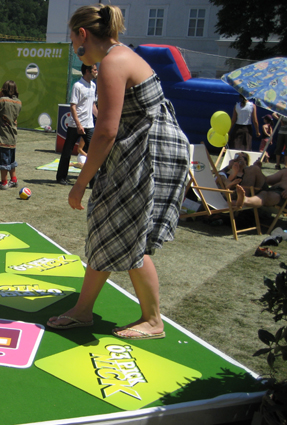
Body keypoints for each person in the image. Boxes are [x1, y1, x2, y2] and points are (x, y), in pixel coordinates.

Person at [46, 4, 190, 340]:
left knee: (126, 232)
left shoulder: (112, 62)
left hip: (149, 156)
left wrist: (80, 184)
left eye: (72, 39)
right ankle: (83, 311)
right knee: (109, 229)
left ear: (84, 35)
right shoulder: (117, 57)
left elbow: (106, 132)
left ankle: (153, 321)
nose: (73, 47)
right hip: (143, 152)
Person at [56, 63, 98, 185]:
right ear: (87, 71)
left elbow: (93, 106)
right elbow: (73, 107)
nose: (97, 72)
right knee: (67, 151)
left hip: (89, 125)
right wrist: (79, 124)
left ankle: (93, 181)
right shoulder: (77, 86)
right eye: (94, 70)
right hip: (75, 125)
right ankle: (61, 177)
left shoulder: (93, 86)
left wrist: (100, 118)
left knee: (93, 153)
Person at [0, 80, 22, 189]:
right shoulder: (19, 102)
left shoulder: (2, 100)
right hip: (13, 135)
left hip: (3, 136)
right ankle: (14, 180)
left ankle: (4, 182)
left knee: (3, 160)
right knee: (11, 160)